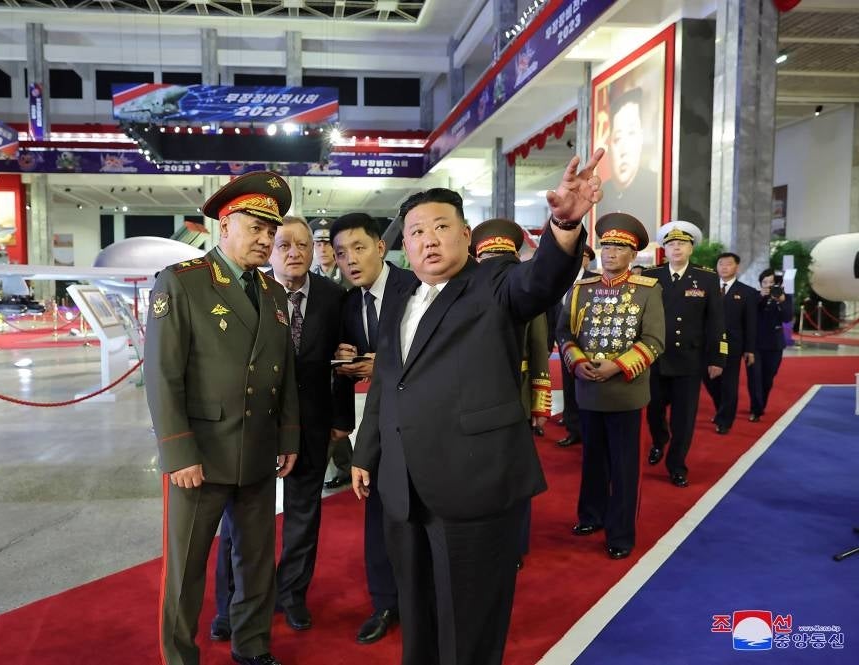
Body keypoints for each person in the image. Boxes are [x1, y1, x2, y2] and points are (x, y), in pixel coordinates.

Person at [351, 150, 603, 665]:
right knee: (418, 616)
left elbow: (540, 281)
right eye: (417, 232)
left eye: (441, 227)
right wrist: (365, 453)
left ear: (466, 235)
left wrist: (565, 224)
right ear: (405, 246)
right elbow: (386, 385)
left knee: (470, 624)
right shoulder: (400, 299)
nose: (428, 239)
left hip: (475, 486)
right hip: (404, 486)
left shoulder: (493, 283)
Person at [144, 170, 299, 665]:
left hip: (257, 447)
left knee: (255, 561)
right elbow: (163, 376)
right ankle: (180, 657)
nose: (266, 239)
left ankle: (251, 647)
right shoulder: (183, 283)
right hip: (201, 455)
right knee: (186, 568)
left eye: (271, 230)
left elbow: (285, 372)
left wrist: (287, 435)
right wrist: (178, 450)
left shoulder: (273, 294)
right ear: (225, 226)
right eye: (255, 227)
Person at [211, 216, 353, 638]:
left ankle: (291, 595)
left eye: (303, 245)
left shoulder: (333, 297)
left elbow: (344, 359)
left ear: (314, 251)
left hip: (312, 423)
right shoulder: (250, 293)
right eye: (284, 244)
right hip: (252, 425)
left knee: (303, 516)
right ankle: (230, 607)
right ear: (271, 250)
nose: (294, 252)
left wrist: (342, 419)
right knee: (238, 520)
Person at [557, 212, 664, 560]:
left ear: (633, 254)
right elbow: (565, 333)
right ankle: (591, 515)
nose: (610, 253)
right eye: (606, 246)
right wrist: (576, 361)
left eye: (619, 247)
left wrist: (616, 366)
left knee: (624, 466)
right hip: (588, 389)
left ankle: (620, 532)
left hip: (626, 392)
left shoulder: (647, 290)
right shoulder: (582, 289)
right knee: (592, 460)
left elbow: (654, 340)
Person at [330, 211, 415, 644]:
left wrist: (378, 365)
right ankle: (384, 602)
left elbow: (426, 355)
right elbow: (350, 363)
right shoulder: (348, 303)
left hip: (424, 426)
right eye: (342, 254)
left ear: (381, 247)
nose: (351, 260)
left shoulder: (416, 287)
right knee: (378, 516)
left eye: (359, 248)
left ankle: (422, 600)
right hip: (380, 428)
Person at [471, 217, 552, 569]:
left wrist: (538, 406)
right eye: (488, 260)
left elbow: (538, 351)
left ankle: (516, 544)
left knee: (515, 474)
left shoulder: (524, 293)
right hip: (473, 399)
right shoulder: (466, 288)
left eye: (501, 260)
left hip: (514, 393)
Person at [644, 221, 726, 488]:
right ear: (663, 250)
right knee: (654, 410)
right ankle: (659, 440)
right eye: (670, 244)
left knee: (684, 418)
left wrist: (717, 358)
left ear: (691, 248)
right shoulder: (650, 276)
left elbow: (716, 321)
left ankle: (676, 465)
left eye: (681, 243)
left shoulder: (707, 278)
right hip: (655, 358)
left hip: (689, 361)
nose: (676, 247)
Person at [703, 252, 758, 434]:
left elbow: (750, 323)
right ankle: (721, 409)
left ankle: (725, 420)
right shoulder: (706, 289)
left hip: (732, 345)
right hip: (707, 344)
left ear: (737, 267)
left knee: (728, 383)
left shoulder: (747, 293)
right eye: (721, 263)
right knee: (710, 380)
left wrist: (750, 349)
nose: (724, 267)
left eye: (728, 264)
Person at [553, 243, 598, 448]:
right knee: (569, 387)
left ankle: (590, 429)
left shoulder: (595, 280)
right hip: (565, 341)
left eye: (583, 256)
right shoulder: (559, 278)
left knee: (587, 387)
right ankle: (573, 429)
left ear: (588, 259)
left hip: (588, 343)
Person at [600, 87, 659, 236]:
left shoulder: (655, 187)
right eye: (618, 139)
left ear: (641, 139)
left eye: (632, 134)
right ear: (609, 144)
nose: (624, 150)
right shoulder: (600, 195)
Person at [747, 268, 794, 422]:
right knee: (754, 378)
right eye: (764, 282)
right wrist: (759, 297)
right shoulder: (754, 296)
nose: (768, 285)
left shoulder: (784, 298)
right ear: (760, 284)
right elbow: (747, 313)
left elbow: (787, 318)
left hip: (774, 345)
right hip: (754, 345)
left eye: (771, 282)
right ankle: (756, 409)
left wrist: (780, 300)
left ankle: (761, 404)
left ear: (777, 284)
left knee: (767, 379)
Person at [310, 218, 350, 287]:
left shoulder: (349, 277)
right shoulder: (308, 278)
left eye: (327, 244)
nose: (322, 249)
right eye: (318, 244)